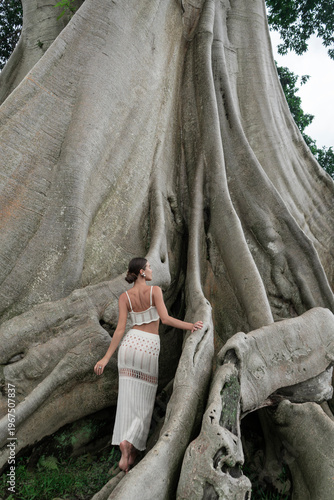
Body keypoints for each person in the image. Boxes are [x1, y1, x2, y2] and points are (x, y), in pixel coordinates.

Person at [94, 257, 203, 472]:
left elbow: (119, 330)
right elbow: (166, 319)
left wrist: (106, 358)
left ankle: (127, 446)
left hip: (129, 345)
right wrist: (191, 325)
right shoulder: (155, 292)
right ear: (142, 272)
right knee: (144, 399)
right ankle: (130, 442)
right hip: (147, 346)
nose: (152, 270)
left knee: (128, 397)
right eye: (150, 267)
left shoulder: (125, 297)